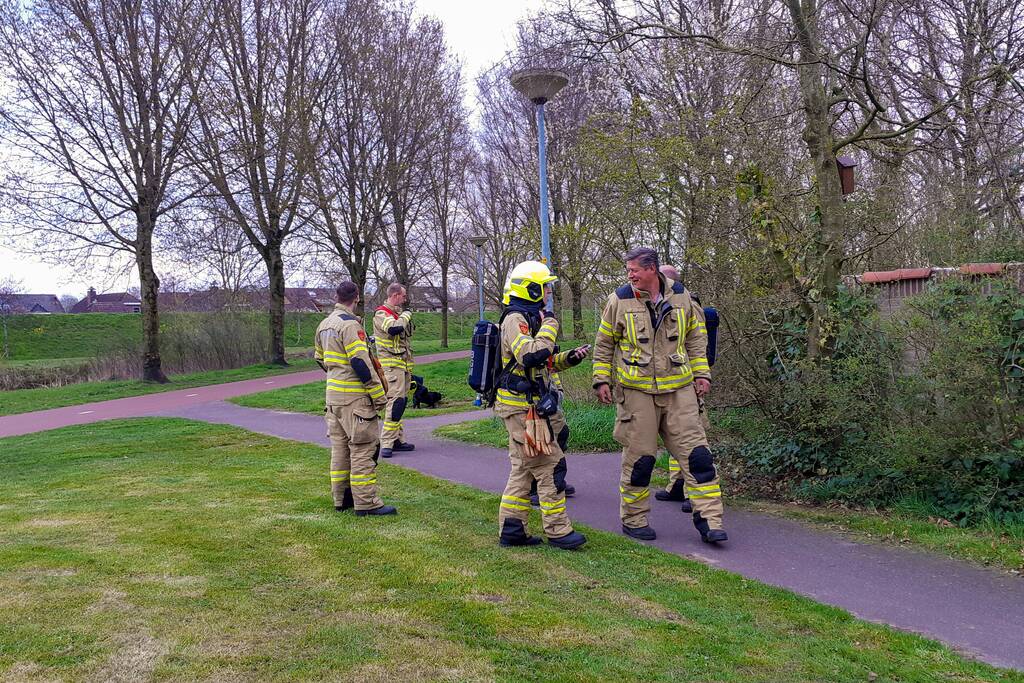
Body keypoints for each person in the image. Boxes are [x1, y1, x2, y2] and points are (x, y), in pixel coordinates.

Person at [593, 247, 727, 543]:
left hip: (680, 390)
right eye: (628, 271)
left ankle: (710, 520)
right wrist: (601, 379)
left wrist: (702, 374)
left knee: (699, 457)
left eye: (634, 270)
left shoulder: (682, 297)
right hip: (636, 392)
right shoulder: (619, 300)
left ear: (651, 269)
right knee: (640, 461)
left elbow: (696, 339)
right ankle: (634, 519)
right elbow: (604, 345)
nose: (630, 276)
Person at [494, 260, 590, 550]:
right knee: (551, 465)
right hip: (522, 409)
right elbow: (529, 356)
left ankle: (512, 529)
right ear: (531, 288)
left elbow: (542, 365)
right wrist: (550, 323)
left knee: (522, 471)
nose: (548, 291)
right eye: (545, 286)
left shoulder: (527, 317)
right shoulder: (515, 319)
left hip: (527, 406)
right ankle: (558, 531)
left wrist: (569, 358)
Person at [314, 281, 395, 516]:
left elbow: (319, 358)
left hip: (333, 398)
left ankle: (341, 499)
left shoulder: (324, 324)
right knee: (363, 449)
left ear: (337, 296)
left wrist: (336, 373)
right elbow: (361, 363)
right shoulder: (350, 325)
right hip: (354, 399)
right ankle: (366, 503)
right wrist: (379, 397)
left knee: (340, 450)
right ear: (357, 298)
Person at [373, 283, 415, 458]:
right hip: (391, 365)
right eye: (403, 296)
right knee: (395, 403)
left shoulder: (396, 315)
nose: (405, 299)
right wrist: (406, 315)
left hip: (402, 364)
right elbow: (394, 328)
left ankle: (397, 439)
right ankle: (387, 443)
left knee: (401, 403)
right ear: (396, 295)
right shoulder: (382, 313)